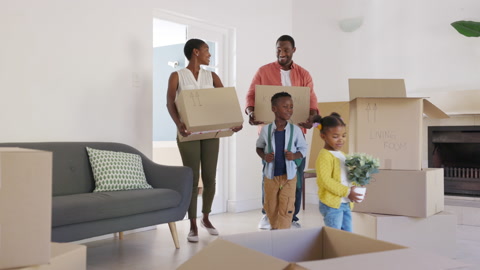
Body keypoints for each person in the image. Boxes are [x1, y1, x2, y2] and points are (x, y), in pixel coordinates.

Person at [166, 38, 243, 243]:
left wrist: (233, 122)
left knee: (210, 177)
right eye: (207, 50)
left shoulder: (212, 76)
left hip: (211, 133)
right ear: (196, 52)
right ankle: (192, 224)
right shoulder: (177, 76)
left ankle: (206, 218)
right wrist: (178, 124)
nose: (210, 54)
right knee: (192, 179)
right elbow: (170, 103)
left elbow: (225, 103)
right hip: (188, 134)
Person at [245, 35, 319, 229]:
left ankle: (290, 217)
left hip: (296, 134)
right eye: (278, 49)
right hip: (271, 133)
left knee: (294, 176)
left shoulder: (304, 74)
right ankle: (267, 216)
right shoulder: (264, 71)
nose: (281, 53)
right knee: (270, 175)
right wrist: (251, 112)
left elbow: (312, 102)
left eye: (286, 50)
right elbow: (251, 96)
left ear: (294, 50)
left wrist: (312, 116)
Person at [256, 92, 307, 229]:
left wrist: (294, 156)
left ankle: (284, 232)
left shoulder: (295, 130)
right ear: (274, 109)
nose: (289, 110)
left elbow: (303, 149)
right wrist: (264, 156)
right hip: (270, 176)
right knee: (271, 205)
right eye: (285, 107)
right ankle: (274, 231)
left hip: (289, 177)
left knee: (287, 205)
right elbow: (259, 147)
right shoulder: (266, 130)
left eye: (291, 107)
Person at [313, 113, 362, 232]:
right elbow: (325, 180)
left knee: (348, 233)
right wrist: (347, 191)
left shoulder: (343, 155)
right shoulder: (324, 156)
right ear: (323, 136)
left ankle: (345, 250)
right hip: (332, 205)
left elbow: (347, 177)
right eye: (335, 136)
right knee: (334, 235)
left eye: (344, 135)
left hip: (345, 202)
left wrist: (357, 184)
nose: (341, 139)